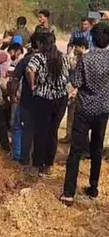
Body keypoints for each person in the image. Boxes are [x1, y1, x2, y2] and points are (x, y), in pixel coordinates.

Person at [61, 22, 109, 205]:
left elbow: (76, 82)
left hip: (84, 109)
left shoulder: (85, 59)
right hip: (103, 110)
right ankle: (93, 188)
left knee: (76, 151)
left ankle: (68, 193)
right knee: (96, 150)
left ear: (92, 39)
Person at [26, 31, 70, 177]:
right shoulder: (63, 57)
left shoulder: (39, 56)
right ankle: (48, 166)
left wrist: (32, 85)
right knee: (53, 132)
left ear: (40, 43)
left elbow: (29, 70)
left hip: (43, 99)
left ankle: (36, 165)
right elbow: (71, 72)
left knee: (40, 132)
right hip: (60, 99)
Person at [9, 36, 36, 165]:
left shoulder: (26, 61)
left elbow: (15, 80)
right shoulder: (54, 59)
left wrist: (12, 95)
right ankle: (35, 156)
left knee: (19, 127)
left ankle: (19, 155)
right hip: (45, 101)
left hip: (26, 99)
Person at [65, 36, 89, 141]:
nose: (74, 49)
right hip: (74, 89)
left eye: (76, 47)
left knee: (81, 119)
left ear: (82, 47)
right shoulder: (76, 57)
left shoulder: (87, 59)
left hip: (81, 92)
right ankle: (69, 135)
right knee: (71, 113)